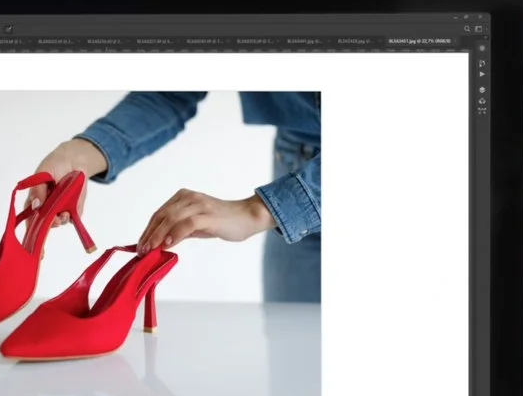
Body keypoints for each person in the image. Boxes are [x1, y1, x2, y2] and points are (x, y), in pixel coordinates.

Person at [32, 92, 321, 302]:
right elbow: (172, 92)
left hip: (291, 196)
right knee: (292, 365)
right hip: (298, 155)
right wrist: (82, 152)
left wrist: (259, 211)